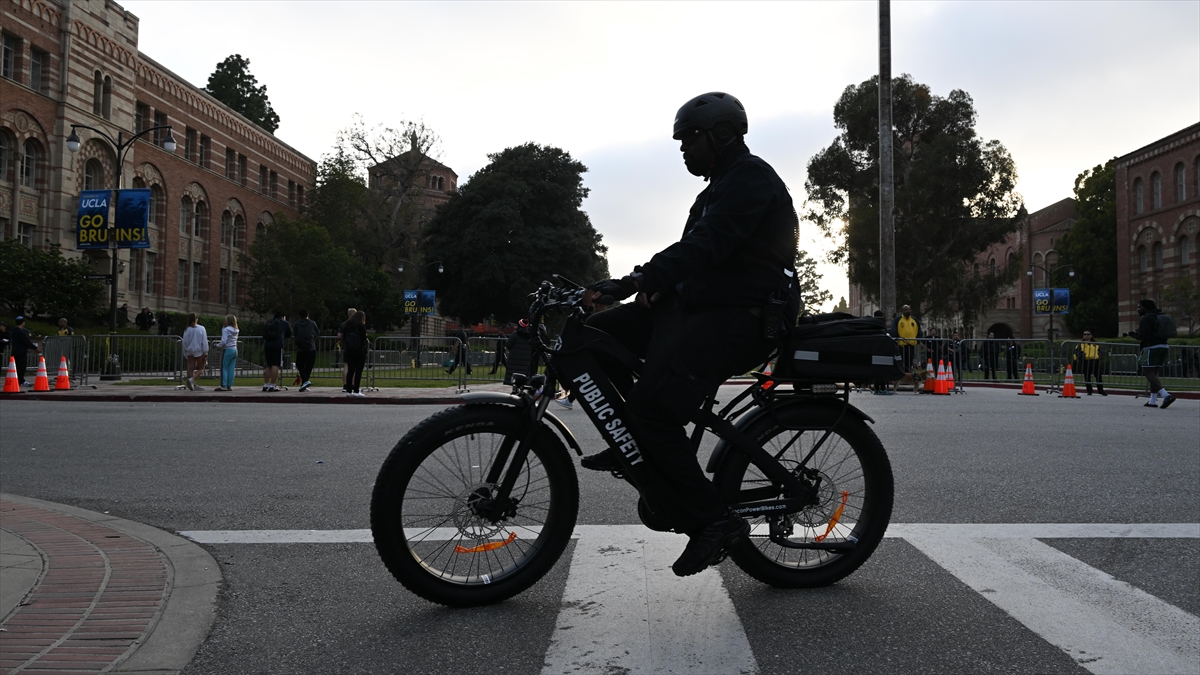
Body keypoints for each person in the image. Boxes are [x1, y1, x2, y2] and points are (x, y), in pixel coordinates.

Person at [581, 92, 800, 578]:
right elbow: (691, 253)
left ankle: (713, 522)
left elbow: (709, 245)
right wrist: (651, 285)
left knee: (652, 413)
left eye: (689, 140)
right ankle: (632, 440)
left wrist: (640, 281)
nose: (683, 150)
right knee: (595, 337)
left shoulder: (751, 178)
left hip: (746, 317)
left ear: (721, 136)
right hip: (705, 307)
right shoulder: (718, 185)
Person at [1126, 299, 1176, 408]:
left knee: (1148, 373)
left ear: (1145, 307)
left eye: (1139, 307)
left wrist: (1135, 335)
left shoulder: (1146, 318)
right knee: (1154, 373)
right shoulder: (1159, 316)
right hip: (1163, 346)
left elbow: (1144, 336)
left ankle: (1165, 395)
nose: (1137, 309)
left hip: (1150, 348)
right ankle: (1152, 401)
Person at [339, 310, 368, 397]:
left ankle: (348, 390)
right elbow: (363, 338)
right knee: (358, 371)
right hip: (359, 350)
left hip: (349, 350)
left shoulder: (346, 325)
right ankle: (356, 390)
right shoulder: (361, 326)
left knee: (350, 370)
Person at [261, 311, 292, 392]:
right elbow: (289, 333)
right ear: (282, 316)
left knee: (269, 365)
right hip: (277, 345)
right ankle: (273, 385)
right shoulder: (284, 323)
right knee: (275, 365)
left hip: (267, 345)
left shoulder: (269, 322)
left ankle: (265, 384)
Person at [293, 309, 319, 392]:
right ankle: (305, 381)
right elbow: (317, 333)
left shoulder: (297, 324)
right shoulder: (312, 323)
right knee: (309, 366)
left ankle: (305, 381)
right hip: (311, 347)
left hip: (301, 348)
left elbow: (295, 333)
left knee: (300, 365)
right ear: (308, 315)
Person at [181, 313, 208, 391]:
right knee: (201, 369)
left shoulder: (187, 329)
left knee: (191, 368)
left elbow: (184, 342)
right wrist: (205, 352)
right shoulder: (201, 328)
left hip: (189, 350)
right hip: (198, 350)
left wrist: (185, 352)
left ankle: (194, 384)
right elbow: (204, 341)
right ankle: (192, 379)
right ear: (196, 319)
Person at [1074, 330, 1106, 396]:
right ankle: (1089, 390)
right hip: (1085, 361)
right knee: (1087, 376)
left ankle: (1100, 390)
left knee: (1098, 376)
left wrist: (1100, 356)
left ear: (1091, 335)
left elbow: (1100, 351)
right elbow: (1076, 352)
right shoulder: (1080, 344)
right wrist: (1081, 357)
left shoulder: (1096, 344)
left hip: (1095, 361)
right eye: (1084, 334)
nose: (1086, 336)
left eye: (1088, 334)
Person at [9, 316, 38, 387]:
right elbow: (26, 341)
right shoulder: (21, 332)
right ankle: (21, 380)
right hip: (21, 351)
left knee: (16, 367)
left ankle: (16, 380)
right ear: (23, 323)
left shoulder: (13, 331)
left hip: (15, 351)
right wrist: (35, 348)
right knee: (21, 367)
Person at [214, 315, 239, 391]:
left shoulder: (226, 330)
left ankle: (223, 385)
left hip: (227, 349)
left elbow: (224, 341)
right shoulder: (236, 330)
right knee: (231, 368)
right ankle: (229, 385)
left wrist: (217, 345)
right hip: (234, 349)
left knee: (223, 367)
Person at [894, 305, 920, 372]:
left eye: (909, 310)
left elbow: (919, 330)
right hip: (902, 345)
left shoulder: (914, 320)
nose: (908, 311)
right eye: (906, 310)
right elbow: (894, 330)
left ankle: (908, 375)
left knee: (909, 361)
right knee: (901, 361)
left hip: (911, 344)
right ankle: (901, 375)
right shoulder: (898, 319)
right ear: (902, 311)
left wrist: (918, 340)